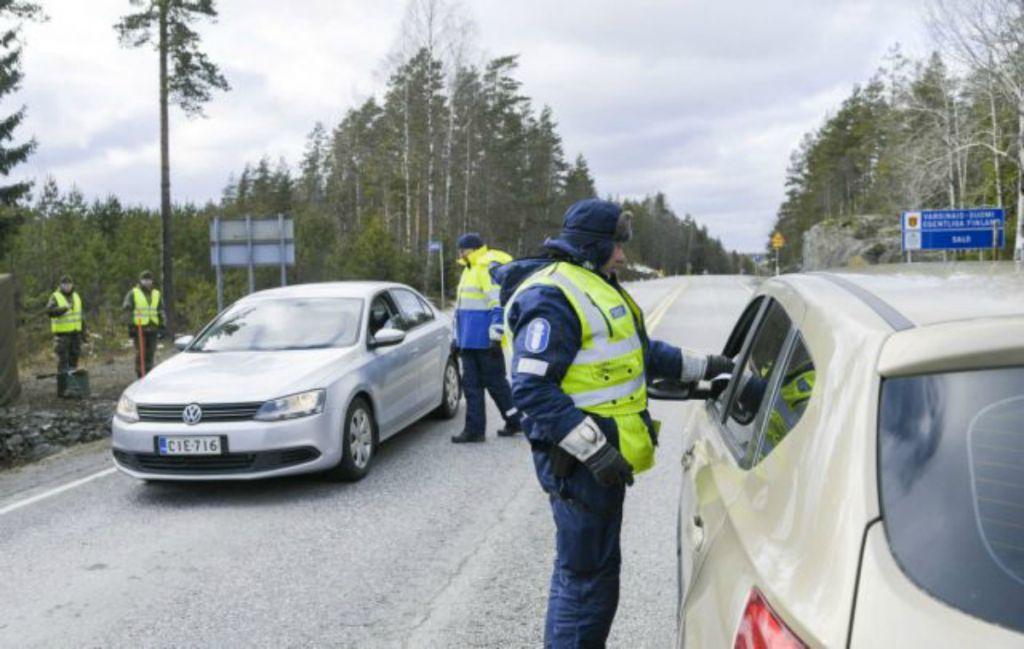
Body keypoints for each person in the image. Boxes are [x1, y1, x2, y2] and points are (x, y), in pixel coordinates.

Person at [495, 199, 733, 647]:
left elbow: (643, 354)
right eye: (615, 246)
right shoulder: (554, 296)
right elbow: (530, 389)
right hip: (579, 464)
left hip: (594, 464)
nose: (622, 256)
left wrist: (715, 365)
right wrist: (595, 450)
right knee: (587, 583)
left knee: (583, 573)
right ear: (591, 246)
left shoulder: (595, 284)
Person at [450, 232, 523, 443]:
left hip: (484, 340)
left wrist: (495, 335)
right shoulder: (469, 269)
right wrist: (457, 338)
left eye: (463, 250)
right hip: (469, 340)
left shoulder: (484, 267)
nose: (460, 253)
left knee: (494, 385)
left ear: (473, 249)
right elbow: (461, 309)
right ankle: (482, 428)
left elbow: (496, 303)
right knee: (476, 386)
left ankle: (508, 422)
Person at [122, 270, 167, 378]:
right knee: (141, 354)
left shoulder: (156, 294)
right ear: (140, 281)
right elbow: (127, 309)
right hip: (139, 328)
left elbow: (160, 310)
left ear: (152, 281)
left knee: (150, 353)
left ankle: (149, 374)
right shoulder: (133, 293)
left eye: (149, 280)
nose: (147, 282)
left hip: (153, 328)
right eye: (145, 280)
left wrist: (162, 325)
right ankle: (140, 375)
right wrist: (130, 326)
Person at [46, 275, 85, 386]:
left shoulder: (76, 296)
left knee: (74, 359)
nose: (67, 286)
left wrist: (84, 332)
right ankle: (63, 387)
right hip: (62, 336)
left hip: (75, 334)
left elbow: (80, 315)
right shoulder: (55, 296)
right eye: (64, 284)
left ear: (72, 285)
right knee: (63, 361)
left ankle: (73, 385)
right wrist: (64, 308)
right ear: (60, 285)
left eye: (69, 284)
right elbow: (49, 311)